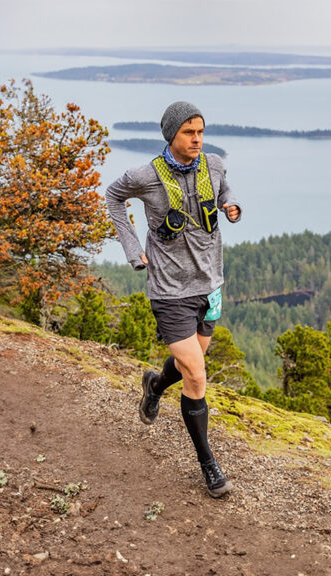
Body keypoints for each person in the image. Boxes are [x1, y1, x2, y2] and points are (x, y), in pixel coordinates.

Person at [105, 101, 241, 498]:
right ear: (171, 135)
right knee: (197, 376)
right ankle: (209, 466)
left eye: (200, 130)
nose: (197, 138)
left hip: (210, 284)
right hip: (169, 290)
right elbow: (113, 197)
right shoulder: (144, 176)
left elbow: (225, 184)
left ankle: (155, 384)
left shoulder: (213, 164)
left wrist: (231, 204)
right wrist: (132, 247)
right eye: (188, 132)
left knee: (186, 367)